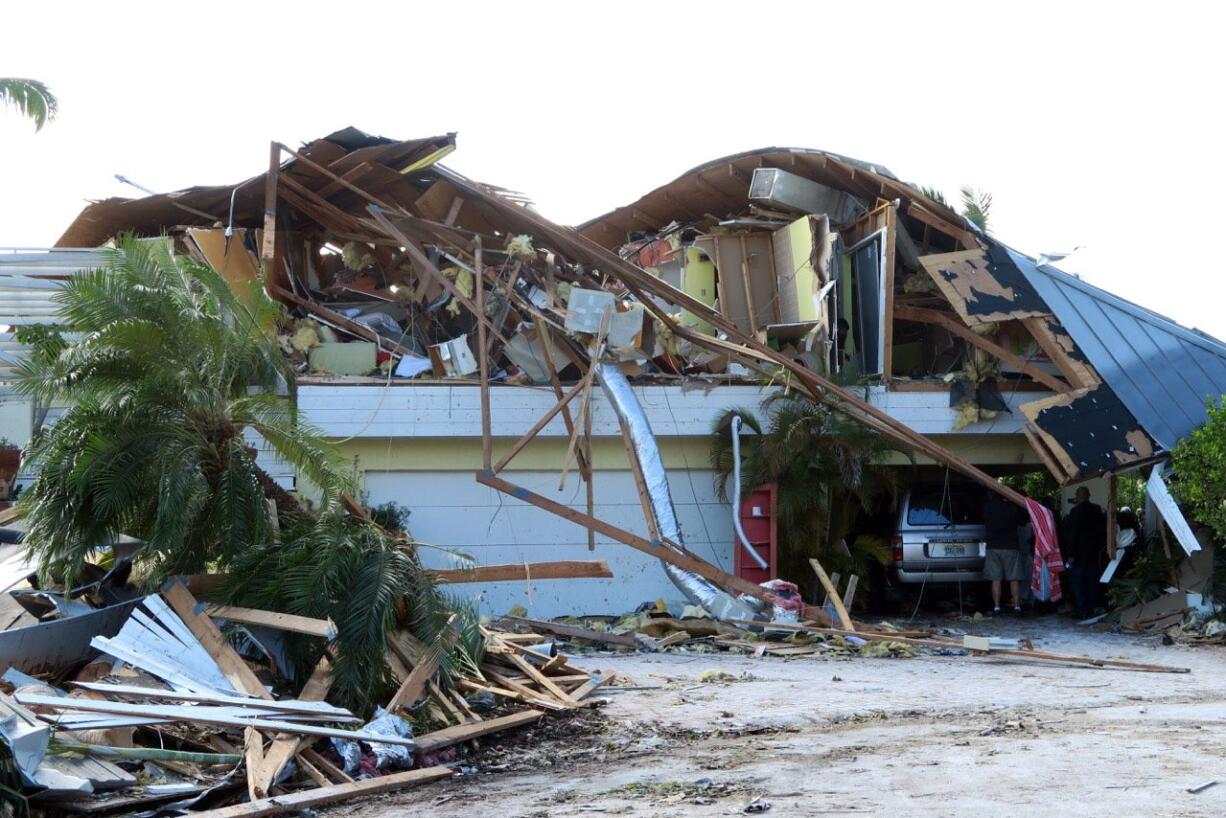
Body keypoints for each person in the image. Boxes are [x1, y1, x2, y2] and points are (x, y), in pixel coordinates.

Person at [1062, 486, 1106, 619]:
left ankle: (1082, 610)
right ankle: (1092, 610)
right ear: (1089, 495)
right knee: (1092, 583)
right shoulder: (1097, 510)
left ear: (1078, 496)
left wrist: (1070, 554)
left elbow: (1072, 534)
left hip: (1079, 554)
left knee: (1079, 583)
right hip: (1094, 553)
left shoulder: (1075, 511)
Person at [983, 491, 1027, 615]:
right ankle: (1017, 607)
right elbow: (1023, 521)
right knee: (1014, 578)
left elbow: (984, 520)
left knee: (995, 579)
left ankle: (996, 607)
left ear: (992, 495)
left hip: (993, 547)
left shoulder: (988, 507)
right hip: (1011, 546)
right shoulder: (1011, 507)